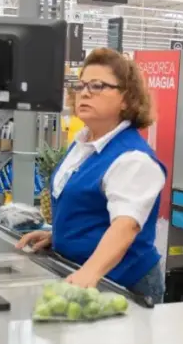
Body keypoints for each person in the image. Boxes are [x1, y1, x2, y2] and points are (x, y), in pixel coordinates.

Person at [16, 48, 166, 302]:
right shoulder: (84, 143)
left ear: (127, 99)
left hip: (123, 285)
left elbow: (125, 226)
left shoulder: (134, 159)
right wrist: (61, 237)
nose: (84, 92)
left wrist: (90, 273)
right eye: (81, 85)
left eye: (98, 86)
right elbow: (91, 209)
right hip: (83, 273)